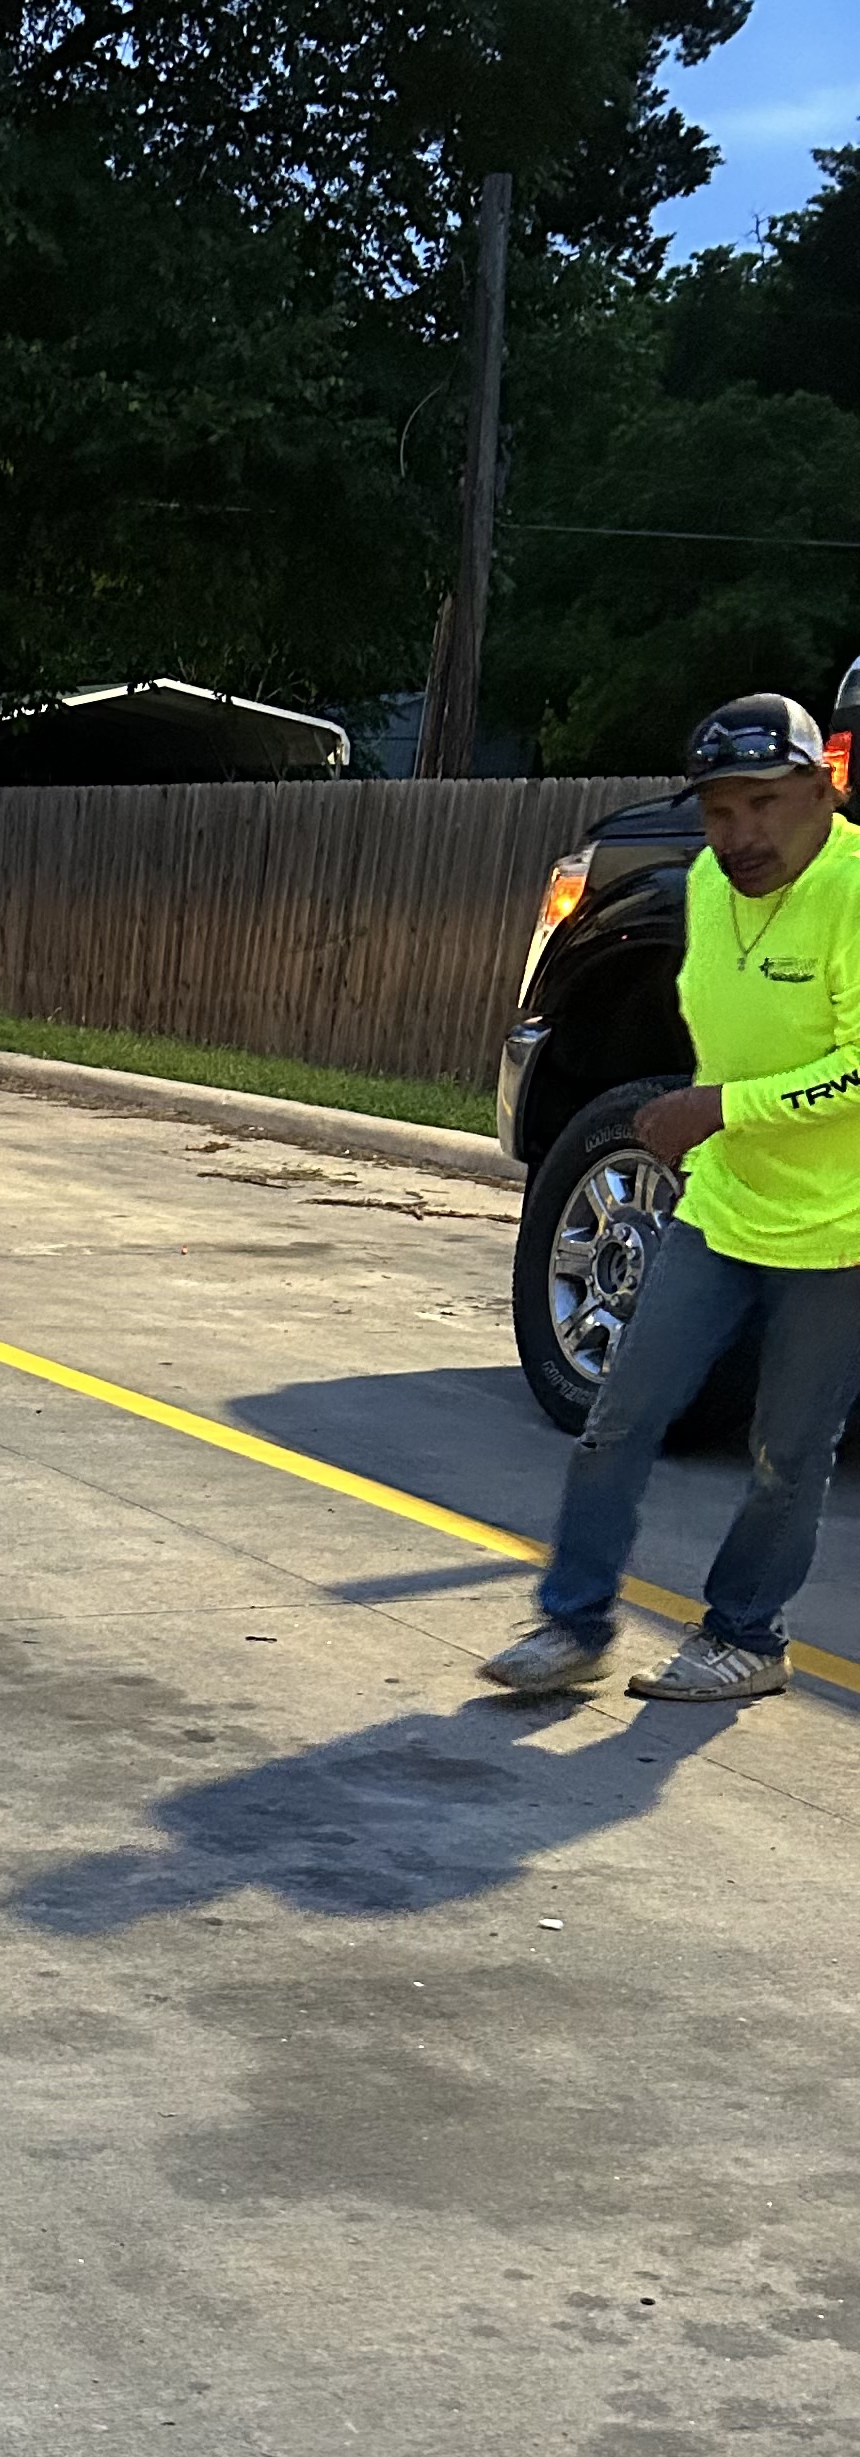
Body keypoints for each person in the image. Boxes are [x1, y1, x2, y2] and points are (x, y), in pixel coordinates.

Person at [483, 691, 860, 1702]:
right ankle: (573, 1626)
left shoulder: (856, 894)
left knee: (787, 1453)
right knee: (621, 1416)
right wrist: (721, 1118)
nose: (738, 833)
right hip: (724, 1208)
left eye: (762, 804)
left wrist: (722, 1107)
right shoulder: (702, 885)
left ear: (820, 791)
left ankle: (745, 1638)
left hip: (839, 1234)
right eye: (718, 810)